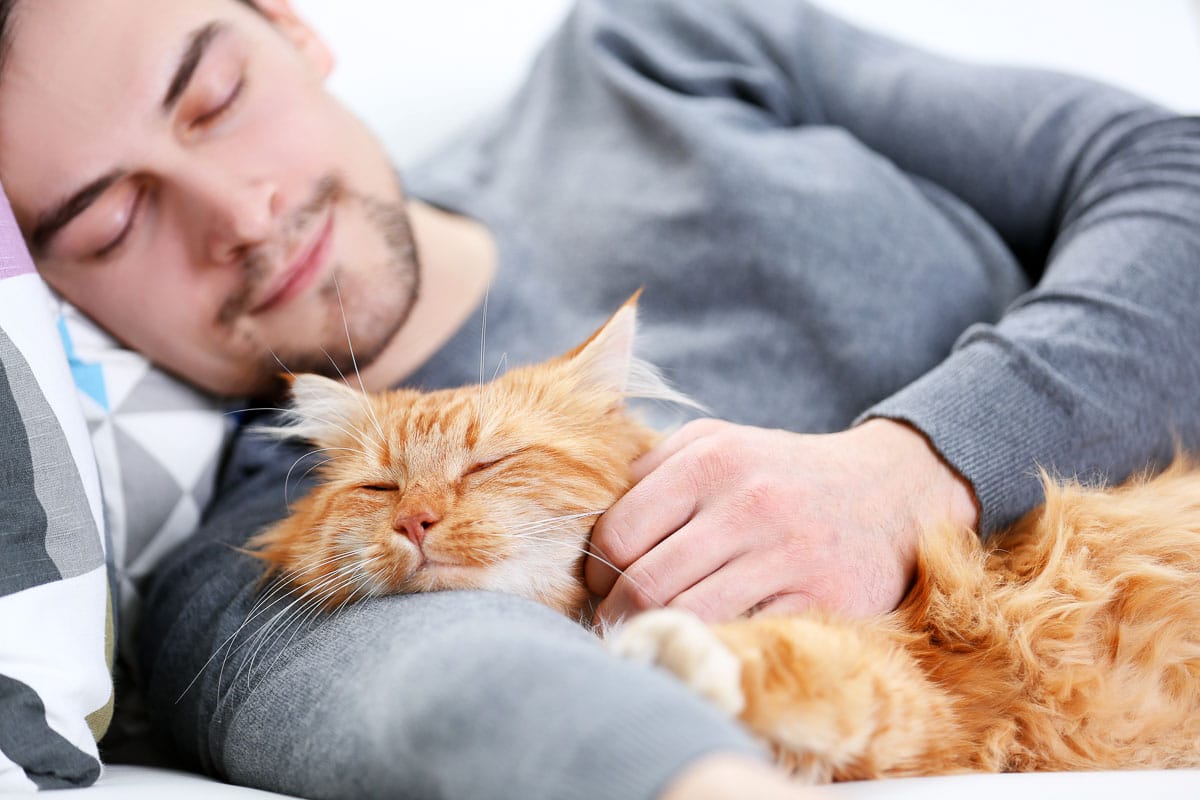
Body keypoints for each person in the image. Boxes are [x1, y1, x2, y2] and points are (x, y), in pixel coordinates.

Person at [1, 0, 1197, 797]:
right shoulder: (258, 555)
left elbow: (1176, 173)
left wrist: (915, 466)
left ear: (288, 25)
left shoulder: (647, 46)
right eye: (113, 220)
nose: (241, 212)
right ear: (50, 282)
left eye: (212, 95)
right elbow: (454, 696)